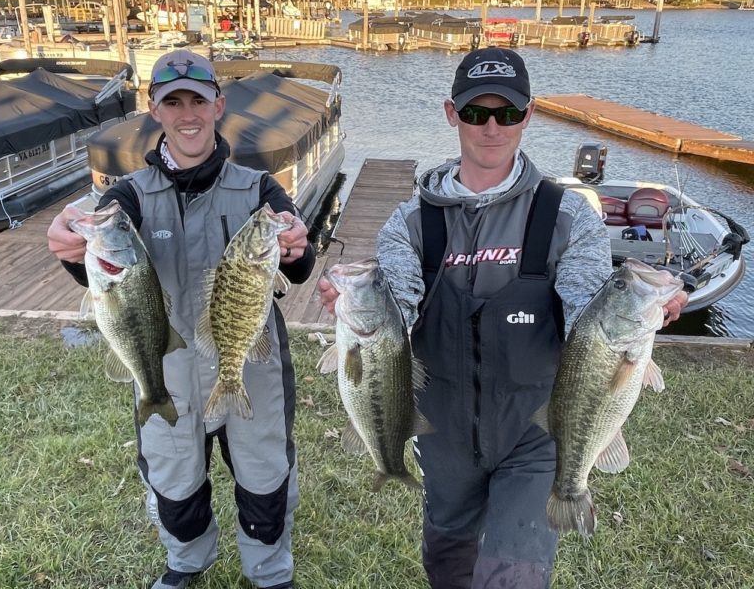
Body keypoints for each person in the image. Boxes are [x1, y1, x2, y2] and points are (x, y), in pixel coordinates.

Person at [318, 47, 688, 589]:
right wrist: (358, 308)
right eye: (475, 113)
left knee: (514, 576)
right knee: (449, 565)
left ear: (528, 114)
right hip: (442, 434)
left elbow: (588, 309)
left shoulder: (566, 216)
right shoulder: (410, 223)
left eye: (507, 113)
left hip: (535, 434)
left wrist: (638, 312)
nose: (492, 127)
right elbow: (397, 299)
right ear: (451, 114)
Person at [48, 49, 313, 589]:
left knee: (265, 479)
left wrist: (295, 246)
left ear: (219, 104)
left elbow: (300, 263)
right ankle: (188, 561)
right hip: (168, 369)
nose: (188, 113)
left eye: (198, 100)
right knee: (175, 482)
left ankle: (269, 572)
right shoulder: (127, 197)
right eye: (174, 102)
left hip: (250, 368)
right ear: (155, 109)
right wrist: (72, 247)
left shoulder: (259, 189)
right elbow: (106, 270)